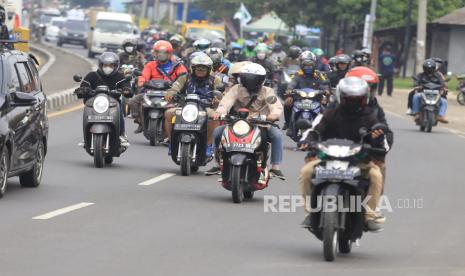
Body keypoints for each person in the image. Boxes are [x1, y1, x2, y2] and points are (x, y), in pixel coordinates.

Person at [298, 77, 390, 232]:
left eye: (357, 99)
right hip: (326, 158)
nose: (353, 102)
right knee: (306, 172)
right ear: (341, 97)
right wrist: (307, 141)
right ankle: (309, 213)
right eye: (349, 99)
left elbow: (383, 144)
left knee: (376, 176)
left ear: (364, 99)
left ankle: (369, 215)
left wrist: (378, 139)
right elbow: (314, 130)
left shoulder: (370, 118)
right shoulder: (329, 114)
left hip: (359, 161)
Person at [207, 63, 286, 180]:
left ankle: (275, 167)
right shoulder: (236, 89)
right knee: (218, 132)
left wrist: (273, 116)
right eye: (248, 78)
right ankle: (218, 164)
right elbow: (226, 103)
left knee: (277, 135)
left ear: (261, 80)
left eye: (254, 79)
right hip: (237, 122)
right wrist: (220, 113)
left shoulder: (267, 91)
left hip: (261, 123)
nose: (251, 82)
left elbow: (276, 106)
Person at [346, 66, 394, 199]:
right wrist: (311, 141)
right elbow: (318, 128)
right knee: (308, 171)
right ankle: (311, 211)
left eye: (369, 88)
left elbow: (386, 135)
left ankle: (371, 210)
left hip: (363, 157)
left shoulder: (376, 111)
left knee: (377, 175)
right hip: (332, 157)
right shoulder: (334, 107)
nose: (364, 93)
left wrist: (378, 144)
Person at [164, 54, 222, 156]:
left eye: (203, 68)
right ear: (193, 68)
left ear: (209, 69)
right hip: (185, 106)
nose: (200, 70)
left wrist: (218, 99)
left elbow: (221, 93)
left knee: (215, 117)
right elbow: (174, 89)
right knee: (168, 113)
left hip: (206, 107)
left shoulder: (215, 80)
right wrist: (170, 95)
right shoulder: (184, 78)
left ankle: (208, 146)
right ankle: (171, 142)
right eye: (198, 68)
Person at [130, 40, 188, 133]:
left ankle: (177, 129)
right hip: (151, 91)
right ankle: (140, 122)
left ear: (169, 54)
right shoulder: (150, 64)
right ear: (155, 53)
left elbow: (184, 77)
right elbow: (144, 76)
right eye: (159, 52)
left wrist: (179, 84)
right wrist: (141, 81)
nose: (161, 55)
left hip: (170, 92)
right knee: (133, 101)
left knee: (183, 106)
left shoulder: (177, 65)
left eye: (164, 53)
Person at [75, 52, 132, 146]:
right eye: (105, 65)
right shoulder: (91, 76)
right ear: (101, 65)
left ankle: (121, 135)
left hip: (113, 105)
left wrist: (127, 90)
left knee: (120, 113)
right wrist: (81, 90)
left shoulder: (120, 77)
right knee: (86, 114)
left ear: (116, 66)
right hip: (94, 104)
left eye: (111, 65)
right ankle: (86, 137)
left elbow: (127, 87)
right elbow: (83, 86)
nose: (108, 67)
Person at [283, 51, 328, 131]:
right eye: (306, 65)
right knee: (287, 103)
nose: (308, 68)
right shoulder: (297, 74)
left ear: (314, 64)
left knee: (326, 108)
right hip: (298, 98)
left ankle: (325, 127)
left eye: (310, 65)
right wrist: (289, 90)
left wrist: (326, 90)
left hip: (316, 98)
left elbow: (324, 84)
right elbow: (292, 83)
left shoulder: (318, 75)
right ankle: (288, 123)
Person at [411, 59, 449, 123]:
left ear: (434, 68)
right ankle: (417, 113)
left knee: (444, 101)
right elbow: (416, 81)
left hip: (436, 94)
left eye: (431, 68)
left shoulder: (438, 75)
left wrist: (444, 87)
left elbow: (443, 83)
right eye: (427, 68)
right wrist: (416, 86)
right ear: (424, 68)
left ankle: (440, 116)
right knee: (416, 96)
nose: (429, 70)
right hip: (423, 93)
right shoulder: (420, 75)